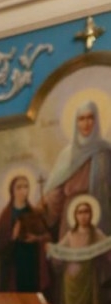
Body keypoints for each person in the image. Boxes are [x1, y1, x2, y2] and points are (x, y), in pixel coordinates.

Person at [41, 99, 111, 240]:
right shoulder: (67, 155)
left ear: (96, 120)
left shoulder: (105, 152)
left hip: (101, 213)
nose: (86, 123)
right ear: (76, 123)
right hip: (71, 216)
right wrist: (44, 203)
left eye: (90, 118)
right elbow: (57, 192)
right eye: (81, 119)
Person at [45, 194, 111, 304]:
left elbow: (107, 249)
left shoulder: (96, 234)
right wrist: (51, 250)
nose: (83, 216)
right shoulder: (70, 235)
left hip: (88, 279)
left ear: (91, 214)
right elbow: (58, 252)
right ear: (75, 216)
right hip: (71, 279)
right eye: (80, 212)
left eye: (86, 212)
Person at [0, 174, 52, 293]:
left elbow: (48, 237)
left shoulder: (34, 213)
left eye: (26, 187)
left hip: (32, 262)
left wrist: (36, 239)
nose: (23, 190)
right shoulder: (6, 216)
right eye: (19, 187)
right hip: (14, 265)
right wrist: (12, 237)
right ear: (12, 191)